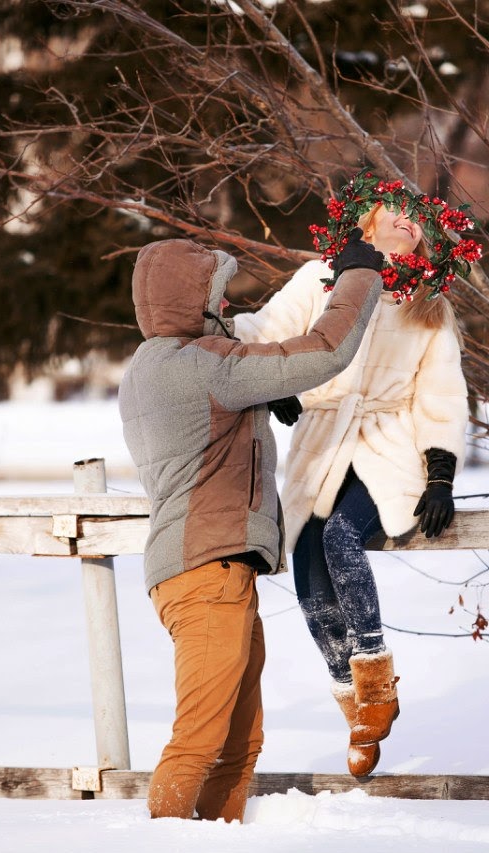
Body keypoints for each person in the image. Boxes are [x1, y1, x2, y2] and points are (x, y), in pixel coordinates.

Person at [118, 231, 385, 822]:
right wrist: (358, 275)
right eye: (218, 297)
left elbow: (215, 418)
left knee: (239, 748)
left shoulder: (147, 366)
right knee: (197, 745)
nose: (229, 308)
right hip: (208, 576)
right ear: (193, 302)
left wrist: (265, 393)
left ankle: (215, 834)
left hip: (209, 574)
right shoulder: (202, 366)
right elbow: (326, 350)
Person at [231, 187, 470, 777]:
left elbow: (440, 393)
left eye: (419, 220)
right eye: (397, 210)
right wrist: (278, 381)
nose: (407, 223)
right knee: (308, 563)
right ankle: (352, 696)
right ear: (368, 217)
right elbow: (266, 331)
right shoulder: (320, 277)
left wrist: (440, 475)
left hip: (389, 446)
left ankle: (376, 674)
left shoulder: (428, 305)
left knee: (341, 537)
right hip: (321, 442)